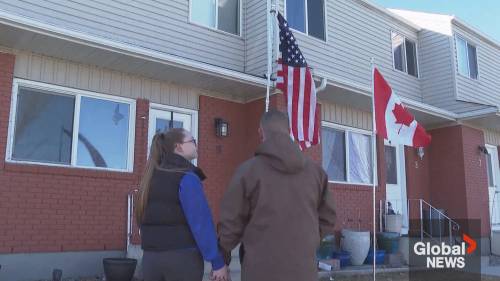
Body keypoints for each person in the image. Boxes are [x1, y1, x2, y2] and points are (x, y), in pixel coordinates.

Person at [218, 109, 336, 281]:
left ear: (261, 132)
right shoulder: (317, 173)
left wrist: (222, 259)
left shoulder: (248, 171)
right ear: (289, 132)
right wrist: (308, 241)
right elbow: (329, 217)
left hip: (260, 271)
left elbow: (231, 222)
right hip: (303, 271)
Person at [136, 128, 229, 281]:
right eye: (193, 141)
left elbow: (141, 218)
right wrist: (217, 261)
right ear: (178, 147)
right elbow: (201, 223)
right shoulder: (187, 178)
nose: (196, 145)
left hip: (150, 260)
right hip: (182, 261)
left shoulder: (149, 179)